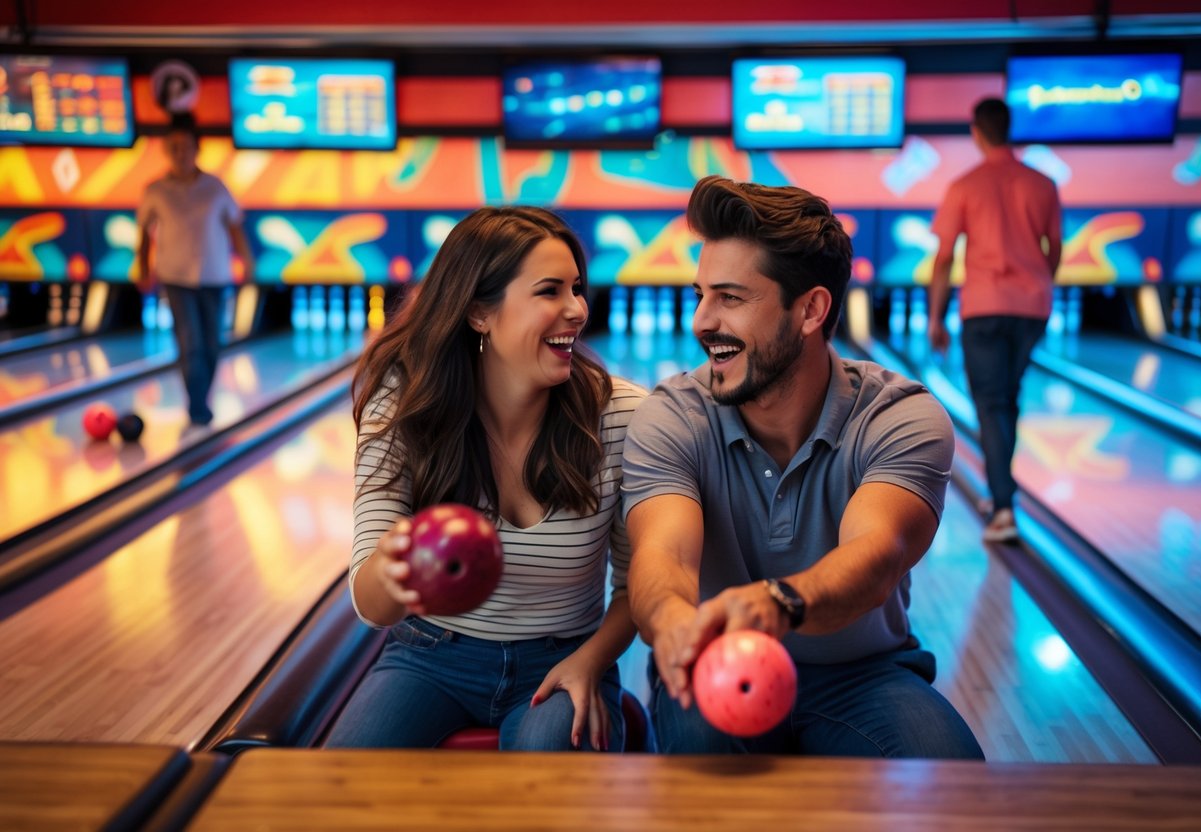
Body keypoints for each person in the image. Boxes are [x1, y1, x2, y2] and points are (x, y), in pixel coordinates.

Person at [623, 175, 984, 760]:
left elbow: (876, 557)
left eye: (731, 298)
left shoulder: (899, 416)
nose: (701, 321)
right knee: (704, 764)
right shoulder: (672, 417)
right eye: (699, 296)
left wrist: (779, 603)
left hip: (861, 675)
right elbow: (664, 556)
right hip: (716, 661)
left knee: (951, 774)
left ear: (812, 309)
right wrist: (669, 619)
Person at [325, 206, 645, 751]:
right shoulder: (404, 408)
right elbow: (373, 605)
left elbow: (639, 582)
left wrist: (591, 661)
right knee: (338, 789)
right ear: (479, 312)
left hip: (564, 657)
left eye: (577, 288)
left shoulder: (618, 415)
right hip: (429, 655)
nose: (576, 309)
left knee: (543, 788)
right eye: (549, 291)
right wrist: (401, 556)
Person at [928, 97, 1062, 543]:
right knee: (1007, 398)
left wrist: (934, 318)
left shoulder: (965, 185)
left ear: (976, 131)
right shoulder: (1043, 183)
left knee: (991, 403)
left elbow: (945, 258)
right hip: (1031, 306)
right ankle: (1000, 490)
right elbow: (1054, 249)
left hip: (983, 306)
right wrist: (1040, 285)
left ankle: (1003, 506)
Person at [137, 114, 252, 426]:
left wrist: (247, 261)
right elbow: (145, 233)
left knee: (212, 344)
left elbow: (235, 227)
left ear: (196, 149)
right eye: (173, 147)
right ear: (165, 150)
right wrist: (142, 267)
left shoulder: (215, 187)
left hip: (215, 276)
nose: (180, 153)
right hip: (174, 277)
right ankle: (198, 407)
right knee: (192, 343)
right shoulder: (155, 191)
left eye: (185, 147)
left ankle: (199, 400)